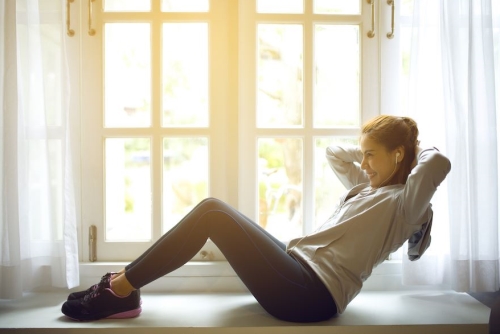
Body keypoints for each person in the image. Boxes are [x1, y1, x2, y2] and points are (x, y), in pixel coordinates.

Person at [61, 115, 451, 322]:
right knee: (214, 207)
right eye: (363, 153)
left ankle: (120, 290)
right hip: (299, 267)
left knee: (213, 211)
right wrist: (372, 147)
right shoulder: (370, 188)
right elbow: (334, 152)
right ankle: (121, 288)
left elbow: (438, 162)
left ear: (398, 155)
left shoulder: (405, 206)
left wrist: (412, 149)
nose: (362, 163)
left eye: (371, 154)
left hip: (312, 295)